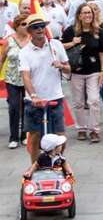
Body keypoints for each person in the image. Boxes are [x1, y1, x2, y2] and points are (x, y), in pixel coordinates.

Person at [19, 13, 71, 163]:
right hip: (34, 101)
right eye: (35, 27)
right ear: (30, 31)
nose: (40, 29)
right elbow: (26, 76)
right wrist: (33, 95)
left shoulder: (56, 45)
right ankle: (35, 166)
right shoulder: (25, 52)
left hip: (55, 97)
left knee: (61, 135)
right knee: (34, 137)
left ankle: (59, 162)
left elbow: (69, 69)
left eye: (42, 26)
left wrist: (61, 66)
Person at [62, 3, 103, 143]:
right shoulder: (71, 31)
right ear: (79, 15)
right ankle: (81, 128)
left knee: (93, 100)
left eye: (90, 13)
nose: (88, 15)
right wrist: (72, 42)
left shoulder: (98, 31)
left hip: (94, 71)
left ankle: (94, 130)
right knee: (78, 102)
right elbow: (60, 46)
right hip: (76, 71)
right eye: (85, 13)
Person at [1, 15, 30, 148]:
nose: (26, 26)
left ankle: (25, 135)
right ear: (17, 26)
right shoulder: (9, 40)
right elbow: (2, 59)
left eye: (27, 24)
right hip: (12, 78)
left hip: (28, 78)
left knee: (26, 106)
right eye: (23, 24)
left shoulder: (32, 39)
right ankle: (13, 137)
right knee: (13, 106)